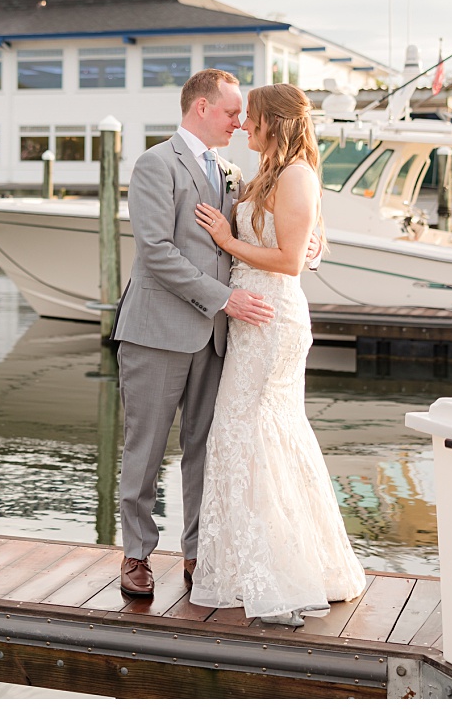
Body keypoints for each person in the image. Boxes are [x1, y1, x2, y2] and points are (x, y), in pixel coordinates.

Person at [109, 69, 317, 598]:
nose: (239, 122)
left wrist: (311, 249)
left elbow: (263, 232)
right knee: (146, 448)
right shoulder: (155, 164)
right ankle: (136, 555)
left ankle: (200, 552)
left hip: (220, 338)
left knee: (206, 448)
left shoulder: (230, 172)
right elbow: (156, 252)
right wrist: (224, 297)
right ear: (201, 108)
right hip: (158, 331)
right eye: (230, 113)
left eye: (243, 115)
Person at [188, 82, 367, 624]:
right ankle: (265, 565)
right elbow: (305, 247)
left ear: (276, 123)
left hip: (271, 320)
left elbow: (289, 261)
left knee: (255, 435)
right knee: (250, 438)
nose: (244, 125)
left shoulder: (295, 175)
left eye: (253, 118)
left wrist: (226, 240)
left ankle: (281, 577)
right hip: (251, 318)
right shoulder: (263, 175)